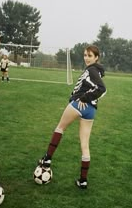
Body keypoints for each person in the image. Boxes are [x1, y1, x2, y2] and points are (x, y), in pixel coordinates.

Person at [38, 45, 107, 189]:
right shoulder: (97, 71)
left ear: (96, 57)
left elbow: (102, 89)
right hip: (91, 110)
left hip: (79, 104)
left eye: (90, 55)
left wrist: (83, 98)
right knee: (85, 145)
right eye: (85, 55)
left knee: (60, 128)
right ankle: (83, 181)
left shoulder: (92, 69)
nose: (86, 58)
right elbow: (99, 89)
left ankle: (47, 159)